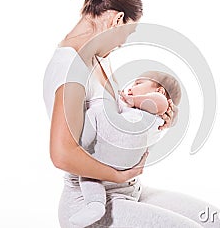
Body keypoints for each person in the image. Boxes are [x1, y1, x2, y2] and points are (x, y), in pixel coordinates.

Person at [43, 0, 220, 228]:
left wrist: (160, 117)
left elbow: (116, 120)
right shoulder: (70, 69)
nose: (123, 43)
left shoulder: (97, 57)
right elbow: (61, 153)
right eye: (128, 33)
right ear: (118, 19)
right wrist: (116, 174)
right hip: (91, 203)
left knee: (219, 222)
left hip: (128, 190)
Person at [69, 71, 182, 227]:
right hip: (111, 164)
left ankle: (95, 202)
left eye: (138, 83)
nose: (131, 87)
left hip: (122, 170)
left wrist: (133, 100)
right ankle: (95, 203)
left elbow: (161, 103)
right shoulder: (134, 108)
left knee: (89, 170)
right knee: (88, 174)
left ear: (160, 91)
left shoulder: (156, 105)